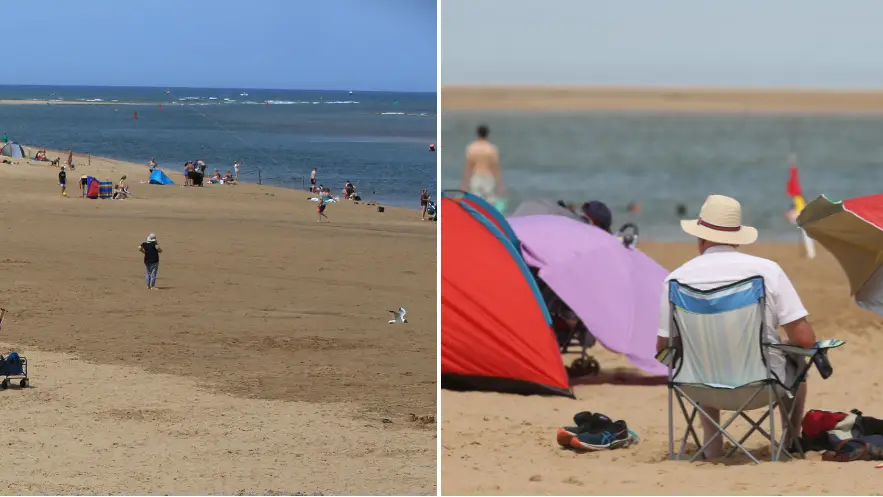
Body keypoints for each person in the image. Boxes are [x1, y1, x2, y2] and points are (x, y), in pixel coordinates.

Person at [656, 194, 817, 460]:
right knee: (797, 359)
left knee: (695, 355)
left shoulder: (676, 279)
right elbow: (805, 340)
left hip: (699, 386)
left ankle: (712, 441)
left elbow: (663, 347)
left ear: (700, 238)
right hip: (762, 386)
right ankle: (791, 438)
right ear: (736, 238)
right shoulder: (767, 271)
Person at [460, 124, 503, 203]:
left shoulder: (471, 148)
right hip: (488, 177)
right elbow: (495, 167)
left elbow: (469, 166)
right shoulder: (492, 149)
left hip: (476, 176)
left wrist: (464, 184)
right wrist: (499, 184)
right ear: (487, 134)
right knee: (490, 202)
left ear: (477, 134)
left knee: (475, 202)